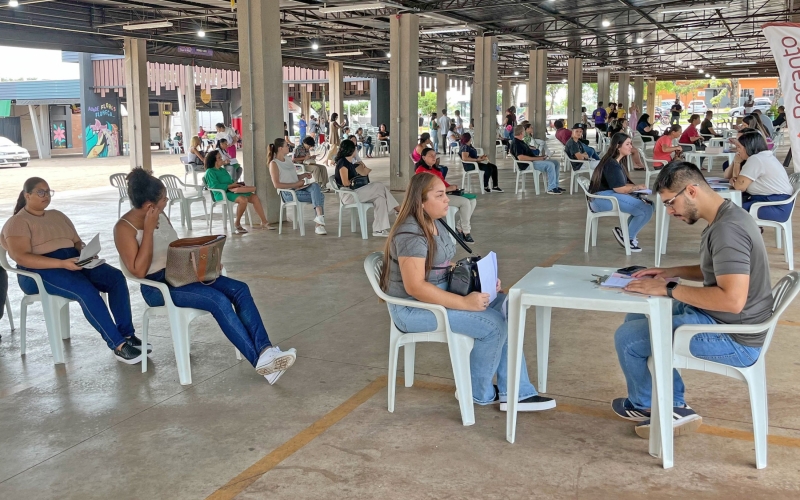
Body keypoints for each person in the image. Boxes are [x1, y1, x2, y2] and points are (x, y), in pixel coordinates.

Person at [612, 161, 773, 438]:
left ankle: (653, 407)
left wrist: (668, 289)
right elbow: (722, 271)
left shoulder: (727, 231)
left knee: (628, 338)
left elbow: (732, 300)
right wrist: (669, 272)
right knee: (638, 315)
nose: (670, 211)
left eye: (670, 203)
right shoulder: (726, 216)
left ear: (691, 191)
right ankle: (671, 404)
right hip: (728, 320)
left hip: (735, 336)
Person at [380, 173, 556, 412]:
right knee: (493, 325)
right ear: (420, 202)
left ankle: (517, 392)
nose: (447, 200)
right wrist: (465, 303)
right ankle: (477, 392)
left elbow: (442, 266)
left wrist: (482, 283)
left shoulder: (435, 222)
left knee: (507, 307)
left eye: (445, 194)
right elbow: (415, 287)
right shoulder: (411, 234)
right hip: (413, 309)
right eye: (439, 195)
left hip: (436, 296)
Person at [114, 169, 296, 384]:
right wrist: (148, 230)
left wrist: (204, 260)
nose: (167, 201)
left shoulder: (160, 215)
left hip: (181, 274)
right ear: (149, 206)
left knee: (240, 289)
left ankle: (266, 351)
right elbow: (138, 271)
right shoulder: (123, 229)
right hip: (157, 287)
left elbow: (175, 248)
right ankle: (261, 363)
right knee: (217, 300)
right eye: (163, 199)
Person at [1, 177, 144, 363]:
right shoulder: (17, 222)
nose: (46, 196)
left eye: (48, 191)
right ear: (27, 195)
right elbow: (21, 257)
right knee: (84, 289)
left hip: (72, 260)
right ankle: (117, 344)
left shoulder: (57, 215)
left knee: (115, 277)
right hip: (38, 270)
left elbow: (76, 240)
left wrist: (84, 252)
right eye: (40, 192)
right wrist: (62, 264)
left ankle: (127, 334)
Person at [588, 133, 654, 253]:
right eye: (627, 144)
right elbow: (619, 189)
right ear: (618, 146)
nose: (631, 147)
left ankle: (626, 234)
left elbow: (621, 185)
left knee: (648, 204)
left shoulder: (616, 162)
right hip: (601, 200)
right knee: (646, 209)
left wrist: (636, 187)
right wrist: (636, 187)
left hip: (603, 197)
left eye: (631, 144)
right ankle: (627, 237)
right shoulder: (612, 164)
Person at [334, 139, 399, 237]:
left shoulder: (350, 162)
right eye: (355, 148)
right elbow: (345, 183)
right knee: (379, 186)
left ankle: (379, 230)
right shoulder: (342, 163)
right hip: (348, 195)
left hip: (356, 192)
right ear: (351, 150)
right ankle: (398, 209)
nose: (357, 150)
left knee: (380, 198)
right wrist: (356, 180)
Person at [725, 131, 795, 222]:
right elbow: (737, 182)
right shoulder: (763, 156)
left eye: (739, 147)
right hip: (775, 204)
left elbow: (739, 186)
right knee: (729, 206)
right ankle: (750, 232)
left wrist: (737, 163)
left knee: (726, 211)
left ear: (748, 147)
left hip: (775, 206)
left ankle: (746, 234)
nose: (737, 150)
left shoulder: (756, 159)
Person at [415, 148, 477, 242]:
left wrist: (452, 187)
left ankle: (460, 228)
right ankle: (466, 231)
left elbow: (443, 183)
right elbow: (426, 189)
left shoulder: (436, 170)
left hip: (445, 193)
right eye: (430, 155)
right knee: (465, 202)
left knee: (473, 201)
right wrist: (447, 189)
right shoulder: (421, 171)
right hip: (435, 197)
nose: (433, 157)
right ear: (423, 157)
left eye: (434, 155)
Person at [268, 138, 327, 235]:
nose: (289, 147)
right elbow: (276, 184)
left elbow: (294, 177)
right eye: (286, 145)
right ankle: (319, 225)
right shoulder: (274, 163)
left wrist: (303, 175)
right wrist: (296, 184)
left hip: (298, 188)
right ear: (280, 148)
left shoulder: (288, 160)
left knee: (315, 185)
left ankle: (319, 219)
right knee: (320, 196)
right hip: (288, 193)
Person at [204, 150, 270, 233]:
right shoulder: (210, 172)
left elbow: (230, 181)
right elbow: (214, 186)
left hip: (231, 190)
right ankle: (237, 223)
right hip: (221, 193)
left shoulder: (222, 170)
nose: (222, 159)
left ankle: (264, 221)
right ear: (214, 160)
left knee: (254, 197)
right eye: (219, 158)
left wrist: (238, 185)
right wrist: (230, 186)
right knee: (243, 200)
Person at [509, 125, 563, 195]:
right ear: (521, 132)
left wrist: (540, 157)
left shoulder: (521, 142)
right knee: (550, 165)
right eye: (524, 130)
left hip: (532, 161)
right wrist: (538, 158)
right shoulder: (516, 143)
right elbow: (521, 158)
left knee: (556, 163)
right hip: (527, 165)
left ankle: (555, 185)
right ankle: (551, 188)